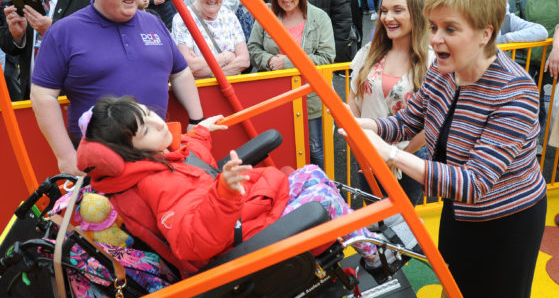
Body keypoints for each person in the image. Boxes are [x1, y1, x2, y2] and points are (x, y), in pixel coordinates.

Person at [343, 0, 546, 298]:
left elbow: (474, 182)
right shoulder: (442, 71)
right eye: (434, 27)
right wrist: (365, 125)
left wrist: (392, 156)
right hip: (460, 210)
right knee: (454, 287)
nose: (435, 39)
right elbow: (408, 120)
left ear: (485, 33)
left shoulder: (514, 92)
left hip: (506, 222)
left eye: (450, 29)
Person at [77, 95, 408, 281]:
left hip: (238, 219)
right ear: (131, 151)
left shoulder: (161, 158)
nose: (159, 123)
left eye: (149, 113)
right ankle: (376, 256)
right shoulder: (155, 184)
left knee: (310, 174)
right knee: (322, 201)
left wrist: (202, 131)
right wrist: (222, 195)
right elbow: (189, 241)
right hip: (234, 242)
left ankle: (367, 241)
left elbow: (189, 154)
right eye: (146, 128)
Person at [29, 0, 203, 176]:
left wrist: (197, 120)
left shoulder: (153, 22)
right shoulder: (63, 32)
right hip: (99, 158)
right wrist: (66, 156)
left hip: (156, 151)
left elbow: (180, 72)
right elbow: (42, 96)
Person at [348, 0, 433, 205]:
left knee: (403, 230)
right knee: (376, 222)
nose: (388, 17)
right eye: (384, 11)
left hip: (409, 159)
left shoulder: (432, 61)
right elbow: (353, 97)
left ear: (416, 13)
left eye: (398, 10)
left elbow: (431, 121)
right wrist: (363, 145)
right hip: (368, 156)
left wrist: (397, 157)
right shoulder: (368, 53)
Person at [248, 0, 335, 168]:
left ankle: (322, 193)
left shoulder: (319, 18)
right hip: (274, 98)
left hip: (310, 99)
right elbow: (253, 48)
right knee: (279, 150)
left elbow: (326, 57)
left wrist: (286, 62)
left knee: (315, 150)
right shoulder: (265, 14)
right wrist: (269, 61)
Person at [0, 0, 93, 99]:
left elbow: (97, 40)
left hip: (75, 96)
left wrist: (53, 30)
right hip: (32, 95)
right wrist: (16, 36)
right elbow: (9, 47)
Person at [509, 0, 559, 147]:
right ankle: (526, 145)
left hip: (553, 59)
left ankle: (550, 147)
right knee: (523, 103)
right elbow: (510, 17)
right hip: (523, 56)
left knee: (550, 105)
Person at [171, 0, 250, 78]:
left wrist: (214, 74)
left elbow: (244, 60)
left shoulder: (229, 16)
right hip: (201, 92)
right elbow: (189, 66)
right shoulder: (183, 19)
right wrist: (227, 57)